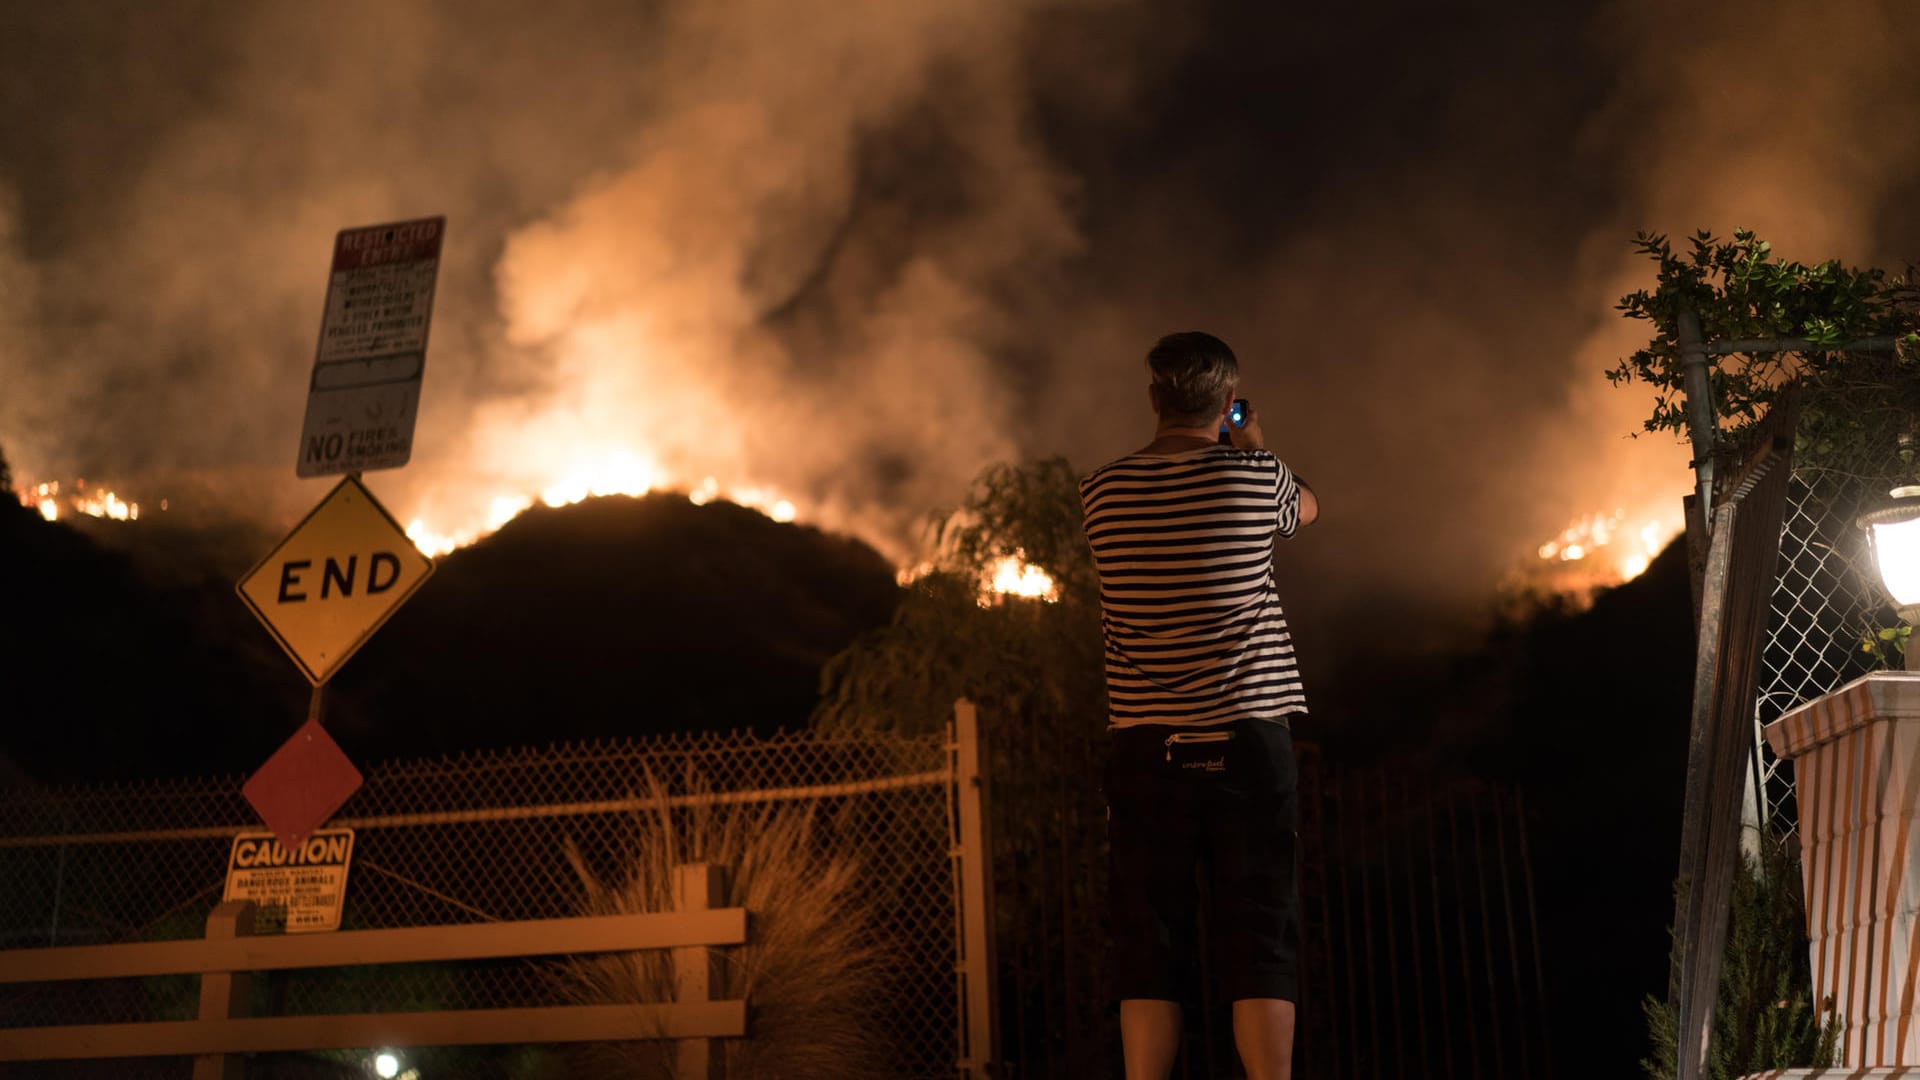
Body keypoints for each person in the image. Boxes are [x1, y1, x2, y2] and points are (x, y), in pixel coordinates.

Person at [1079, 330, 1319, 1080]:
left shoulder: (1101, 490)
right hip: (1248, 736)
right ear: (1225, 401)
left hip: (1144, 742)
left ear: (1153, 398)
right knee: (1259, 935)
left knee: (1148, 940)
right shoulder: (1254, 478)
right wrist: (1254, 442)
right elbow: (1306, 509)